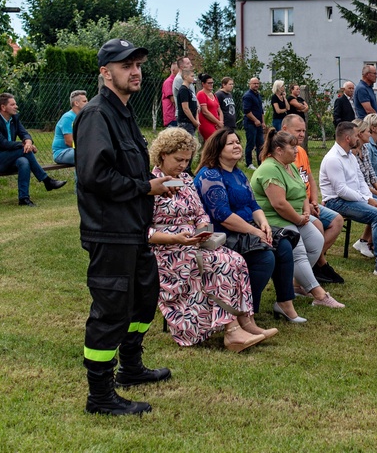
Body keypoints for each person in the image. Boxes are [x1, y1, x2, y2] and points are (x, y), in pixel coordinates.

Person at [73, 38, 172, 416]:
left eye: (137, 64)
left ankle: (130, 368)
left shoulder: (125, 112)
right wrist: (146, 187)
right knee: (111, 311)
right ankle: (100, 395)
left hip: (133, 228)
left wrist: (159, 181)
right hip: (109, 230)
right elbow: (96, 176)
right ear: (105, 71)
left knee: (143, 301)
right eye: (125, 65)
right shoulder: (98, 114)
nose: (135, 71)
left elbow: (129, 168)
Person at [148, 128, 271, 352]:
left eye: (187, 160)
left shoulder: (184, 180)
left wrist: (203, 228)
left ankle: (247, 322)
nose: (183, 165)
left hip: (193, 242)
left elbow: (200, 212)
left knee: (236, 260)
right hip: (168, 251)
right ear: (162, 154)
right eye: (178, 159)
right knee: (218, 264)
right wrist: (175, 237)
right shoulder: (151, 185)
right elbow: (143, 231)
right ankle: (232, 333)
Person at [193, 129, 304, 323]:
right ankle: (244, 311)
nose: (237, 146)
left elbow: (253, 205)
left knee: (284, 245)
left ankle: (285, 303)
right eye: (231, 143)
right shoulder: (210, 175)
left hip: (247, 227)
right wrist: (255, 231)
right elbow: (223, 216)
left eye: (238, 142)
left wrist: (264, 225)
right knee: (264, 257)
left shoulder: (238, 173)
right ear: (218, 149)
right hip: (221, 233)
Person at [252, 129, 345, 308]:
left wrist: (305, 211)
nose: (297, 150)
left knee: (316, 242)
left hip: (294, 217)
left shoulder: (290, 165)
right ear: (279, 150)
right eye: (292, 147)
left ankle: (296, 283)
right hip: (275, 220)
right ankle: (319, 295)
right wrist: (299, 219)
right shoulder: (270, 168)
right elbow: (279, 204)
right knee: (299, 251)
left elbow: (302, 189)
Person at [321, 122, 377, 276]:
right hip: (336, 201)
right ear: (348, 138)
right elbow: (341, 190)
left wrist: (368, 197)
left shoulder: (350, 156)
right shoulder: (333, 159)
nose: (358, 138)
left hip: (352, 198)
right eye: (356, 135)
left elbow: (361, 181)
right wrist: (367, 200)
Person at [281, 114, 345, 283]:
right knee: (317, 224)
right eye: (298, 130)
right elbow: (287, 193)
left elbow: (310, 180)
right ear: (285, 130)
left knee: (337, 220)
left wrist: (314, 201)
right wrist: (306, 207)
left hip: (308, 203)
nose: (302, 134)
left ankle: (316, 262)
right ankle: (318, 267)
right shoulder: (281, 154)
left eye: (303, 130)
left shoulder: (301, 151)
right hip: (295, 206)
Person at [0, 93, 67, 207]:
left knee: (24, 161)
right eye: (12, 104)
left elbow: (24, 133)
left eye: (16, 104)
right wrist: (24, 146)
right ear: (3, 107)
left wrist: (28, 142)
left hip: (7, 157)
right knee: (23, 151)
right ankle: (46, 180)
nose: (16, 106)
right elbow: (3, 143)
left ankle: (24, 198)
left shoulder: (14, 118)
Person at [52, 90, 88, 166]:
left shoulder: (82, 117)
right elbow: (69, 142)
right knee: (85, 155)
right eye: (84, 101)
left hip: (75, 150)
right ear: (76, 103)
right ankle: (80, 178)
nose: (88, 103)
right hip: (62, 152)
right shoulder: (68, 117)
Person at [242, 77, 265, 169]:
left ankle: (261, 162)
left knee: (261, 144)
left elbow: (261, 110)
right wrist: (255, 120)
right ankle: (249, 163)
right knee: (251, 143)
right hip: (251, 123)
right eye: (254, 83)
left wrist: (262, 122)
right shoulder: (247, 96)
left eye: (257, 83)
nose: (256, 85)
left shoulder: (258, 95)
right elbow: (247, 111)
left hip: (259, 124)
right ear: (250, 84)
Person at [197, 74, 223, 141]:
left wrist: (221, 122)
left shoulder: (214, 95)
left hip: (216, 123)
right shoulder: (201, 94)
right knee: (214, 141)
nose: (211, 84)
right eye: (209, 83)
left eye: (212, 83)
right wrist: (218, 122)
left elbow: (219, 110)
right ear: (203, 84)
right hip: (206, 123)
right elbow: (205, 112)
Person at [176, 69, 200, 135]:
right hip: (185, 123)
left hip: (191, 123)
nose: (193, 78)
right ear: (185, 77)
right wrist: (194, 121)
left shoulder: (189, 90)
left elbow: (195, 106)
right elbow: (185, 108)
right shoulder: (183, 90)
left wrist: (197, 120)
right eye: (192, 76)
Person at [161, 61, 178, 128]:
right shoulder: (169, 82)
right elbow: (173, 100)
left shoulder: (176, 81)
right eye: (179, 69)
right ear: (173, 70)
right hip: (171, 117)